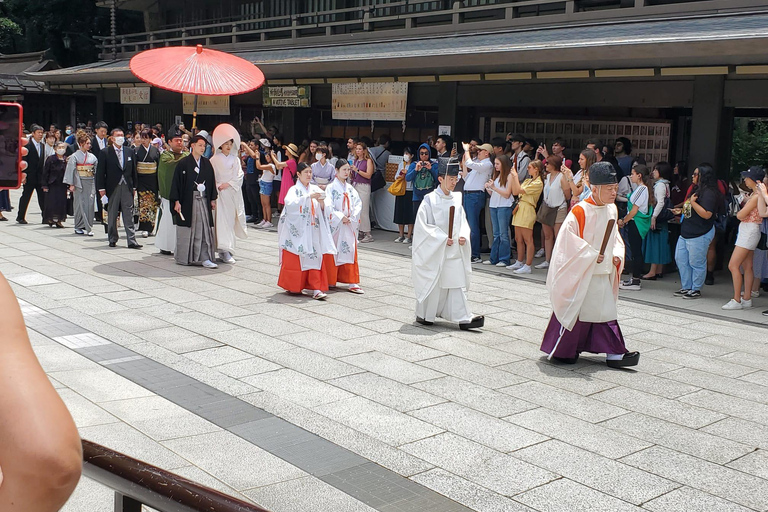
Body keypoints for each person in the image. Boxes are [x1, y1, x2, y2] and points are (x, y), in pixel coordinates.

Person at [540, 161, 639, 368]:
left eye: (615, 189)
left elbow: (615, 239)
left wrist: (616, 255)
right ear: (594, 188)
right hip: (582, 272)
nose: (614, 193)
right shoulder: (579, 211)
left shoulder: (612, 209)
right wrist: (591, 255)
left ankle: (615, 352)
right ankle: (563, 350)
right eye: (609, 189)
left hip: (602, 271)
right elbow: (567, 243)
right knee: (576, 308)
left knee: (604, 311)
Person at [411, 160, 484, 330]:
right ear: (440, 178)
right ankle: (426, 314)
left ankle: (463, 317)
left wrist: (463, 236)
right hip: (436, 250)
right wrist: (442, 238)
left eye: (456, 178)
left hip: (454, 250)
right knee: (435, 281)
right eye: (451, 179)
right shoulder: (429, 200)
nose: (455, 182)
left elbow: (462, 222)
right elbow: (423, 227)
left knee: (455, 281)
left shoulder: (457, 199)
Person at [277, 162, 336, 300]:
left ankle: (316, 288)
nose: (309, 175)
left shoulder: (315, 188)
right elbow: (290, 205)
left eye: (310, 172)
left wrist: (322, 203)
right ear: (298, 174)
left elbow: (327, 207)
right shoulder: (294, 190)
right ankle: (295, 286)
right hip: (299, 229)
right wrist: (307, 198)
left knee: (315, 256)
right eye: (306, 172)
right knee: (299, 256)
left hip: (313, 228)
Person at [672, 164, 721, 299]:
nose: (692, 176)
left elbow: (707, 214)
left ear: (703, 176)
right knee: (681, 259)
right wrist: (681, 211)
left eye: (695, 174)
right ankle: (686, 286)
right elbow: (691, 209)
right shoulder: (695, 189)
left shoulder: (709, 193)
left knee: (696, 262)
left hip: (700, 232)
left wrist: (693, 203)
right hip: (687, 230)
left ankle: (696, 289)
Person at [170, 134, 218, 268]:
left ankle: (205, 257)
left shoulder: (206, 163)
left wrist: (212, 198)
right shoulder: (183, 163)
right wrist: (176, 201)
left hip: (203, 199)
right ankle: (184, 257)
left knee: (203, 229)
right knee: (188, 229)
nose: (203, 148)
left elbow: (211, 182)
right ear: (192, 146)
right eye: (200, 145)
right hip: (187, 200)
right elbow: (176, 183)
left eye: (204, 146)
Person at [722, 167, 766, 310]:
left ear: (755, 180)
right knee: (747, 266)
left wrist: (742, 208)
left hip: (748, 230)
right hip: (751, 230)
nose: (745, 180)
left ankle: (736, 300)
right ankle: (746, 298)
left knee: (733, 265)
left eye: (747, 177)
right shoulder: (757, 194)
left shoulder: (755, 196)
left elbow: (740, 215)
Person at [97, 128, 142, 249]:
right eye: (118, 135)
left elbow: (133, 171)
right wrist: (101, 190)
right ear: (112, 138)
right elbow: (100, 172)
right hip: (112, 186)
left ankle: (131, 240)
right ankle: (112, 238)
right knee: (112, 213)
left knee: (129, 213)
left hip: (127, 185)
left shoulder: (129, 151)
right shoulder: (105, 152)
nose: (120, 137)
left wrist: (134, 187)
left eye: (122, 135)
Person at [324, 160, 364, 294]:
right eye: (344, 170)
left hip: (348, 224)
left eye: (348, 170)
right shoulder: (330, 188)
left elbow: (358, 203)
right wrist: (340, 216)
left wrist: (352, 216)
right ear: (336, 170)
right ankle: (331, 279)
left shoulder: (350, 188)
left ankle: (352, 281)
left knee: (349, 250)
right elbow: (328, 205)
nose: (347, 172)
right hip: (337, 224)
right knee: (334, 251)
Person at [210, 123, 248, 264]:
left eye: (230, 143)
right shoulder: (214, 159)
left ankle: (229, 249)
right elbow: (211, 176)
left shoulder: (235, 159)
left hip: (231, 192)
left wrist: (229, 184)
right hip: (220, 193)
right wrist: (218, 186)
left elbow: (239, 176)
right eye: (225, 143)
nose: (227, 145)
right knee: (221, 221)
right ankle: (222, 250)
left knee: (230, 220)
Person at [155, 125, 188, 255]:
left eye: (181, 140)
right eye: (176, 140)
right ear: (169, 142)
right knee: (168, 221)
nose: (180, 142)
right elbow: (168, 169)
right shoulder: (165, 157)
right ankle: (165, 245)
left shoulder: (187, 155)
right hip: (169, 195)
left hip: (184, 196)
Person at [618, 164, 652, 291]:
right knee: (635, 250)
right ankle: (635, 278)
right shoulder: (642, 189)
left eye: (633, 174)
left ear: (639, 175)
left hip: (635, 222)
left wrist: (623, 221)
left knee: (636, 251)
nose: (631, 176)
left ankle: (636, 280)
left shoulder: (642, 190)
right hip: (634, 222)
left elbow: (634, 211)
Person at [508, 160, 544, 274]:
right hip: (520, 207)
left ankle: (528, 265)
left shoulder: (538, 183)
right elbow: (515, 191)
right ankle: (519, 261)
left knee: (528, 239)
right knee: (518, 239)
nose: (528, 169)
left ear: (536, 169)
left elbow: (518, 190)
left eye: (530, 167)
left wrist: (515, 176)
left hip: (528, 209)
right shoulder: (528, 180)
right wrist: (514, 178)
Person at [460, 142, 494, 263]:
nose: (478, 152)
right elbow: (466, 177)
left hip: (475, 195)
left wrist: (466, 151)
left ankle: (475, 254)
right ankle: (471, 252)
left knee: (473, 225)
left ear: (487, 153)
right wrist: (464, 162)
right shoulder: (479, 164)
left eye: (480, 151)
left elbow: (470, 163)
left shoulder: (487, 164)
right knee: (468, 224)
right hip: (469, 194)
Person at [536, 155, 571, 270]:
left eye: (548, 164)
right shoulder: (548, 176)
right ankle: (547, 260)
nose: (545, 165)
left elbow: (567, 194)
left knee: (558, 236)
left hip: (559, 207)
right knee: (547, 235)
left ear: (554, 165)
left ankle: (558, 261)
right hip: (547, 206)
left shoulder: (562, 177)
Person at [63, 130, 98, 236]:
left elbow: (96, 169)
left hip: (90, 181)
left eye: (89, 143)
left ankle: (88, 225)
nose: (89, 145)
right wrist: (71, 184)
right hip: (79, 182)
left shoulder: (92, 157)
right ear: (81, 144)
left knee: (90, 204)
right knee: (79, 204)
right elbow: (71, 170)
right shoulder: (74, 156)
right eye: (87, 143)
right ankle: (79, 226)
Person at [642, 162, 673, 280]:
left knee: (654, 244)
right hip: (663, 219)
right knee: (661, 243)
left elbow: (660, 202)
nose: (653, 172)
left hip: (658, 218)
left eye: (656, 170)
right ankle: (659, 270)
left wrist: (653, 217)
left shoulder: (660, 185)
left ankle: (652, 271)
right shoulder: (666, 184)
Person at [483, 154, 514, 267]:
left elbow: (507, 194)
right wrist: (488, 188)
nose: (495, 166)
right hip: (494, 205)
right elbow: (493, 194)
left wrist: (494, 187)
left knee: (503, 233)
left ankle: (504, 259)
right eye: (495, 163)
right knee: (496, 234)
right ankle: (494, 258)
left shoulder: (510, 176)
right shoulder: (496, 175)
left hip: (504, 206)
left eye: (497, 164)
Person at [406, 143, 439, 238]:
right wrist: (416, 169)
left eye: (426, 153)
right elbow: (407, 178)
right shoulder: (414, 164)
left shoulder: (434, 164)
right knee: (417, 218)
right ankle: (417, 239)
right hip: (417, 195)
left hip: (430, 196)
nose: (424, 156)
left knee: (429, 219)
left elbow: (439, 179)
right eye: (421, 153)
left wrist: (431, 169)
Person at [16, 124, 46, 224]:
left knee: (42, 197)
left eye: (42, 133)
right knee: (26, 196)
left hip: (39, 176)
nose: (40, 135)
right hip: (29, 176)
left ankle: (45, 217)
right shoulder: (27, 145)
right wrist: (23, 176)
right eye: (38, 133)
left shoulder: (42, 145)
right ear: (33, 134)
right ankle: (20, 217)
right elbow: (23, 160)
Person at [135, 129, 161, 237]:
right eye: (142, 137)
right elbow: (134, 167)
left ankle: (151, 227)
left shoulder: (155, 151)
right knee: (144, 203)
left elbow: (158, 167)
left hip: (152, 179)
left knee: (153, 204)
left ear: (150, 139)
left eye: (146, 138)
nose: (143, 140)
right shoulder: (136, 151)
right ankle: (144, 227)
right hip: (141, 179)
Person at [40, 141, 69, 228]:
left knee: (61, 203)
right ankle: (50, 219)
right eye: (59, 148)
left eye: (63, 148)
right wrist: (44, 185)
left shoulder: (66, 159)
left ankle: (59, 220)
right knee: (51, 202)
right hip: (52, 184)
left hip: (62, 184)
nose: (61, 149)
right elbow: (45, 172)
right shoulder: (51, 159)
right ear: (55, 149)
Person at [351, 141, 375, 243]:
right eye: (357, 149)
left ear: (364, 150)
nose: (358, 151)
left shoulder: (368, 161)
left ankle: (367, 232)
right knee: (356, 209)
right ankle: (360, 230)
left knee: (364, 209)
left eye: (360, 149)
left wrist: (357, 171)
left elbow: (369, 175)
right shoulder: (355, 160)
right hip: (355, 185)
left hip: (364, 186)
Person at [393, 147, 415, 243]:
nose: (406, 155)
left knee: (409, 214)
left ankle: (409, 236)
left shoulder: (414, 165)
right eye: (405, 153)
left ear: (412, 155)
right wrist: (399, 176)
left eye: (408, 153)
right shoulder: (401, 164)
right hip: (401, 190)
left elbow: (413, 177)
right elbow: (395, 176)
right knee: (399, 213)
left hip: (410, 190)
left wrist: (408, 173)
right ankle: (401, 235)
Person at [274, 142, 299, 211]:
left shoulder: (291, 161)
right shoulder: (289, 161)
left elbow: (278, 164)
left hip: (288, 183)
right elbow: (278, 166)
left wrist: (273, 157)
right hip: (286, 182)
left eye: (287, 150)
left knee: (288, 201)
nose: (285, 151)